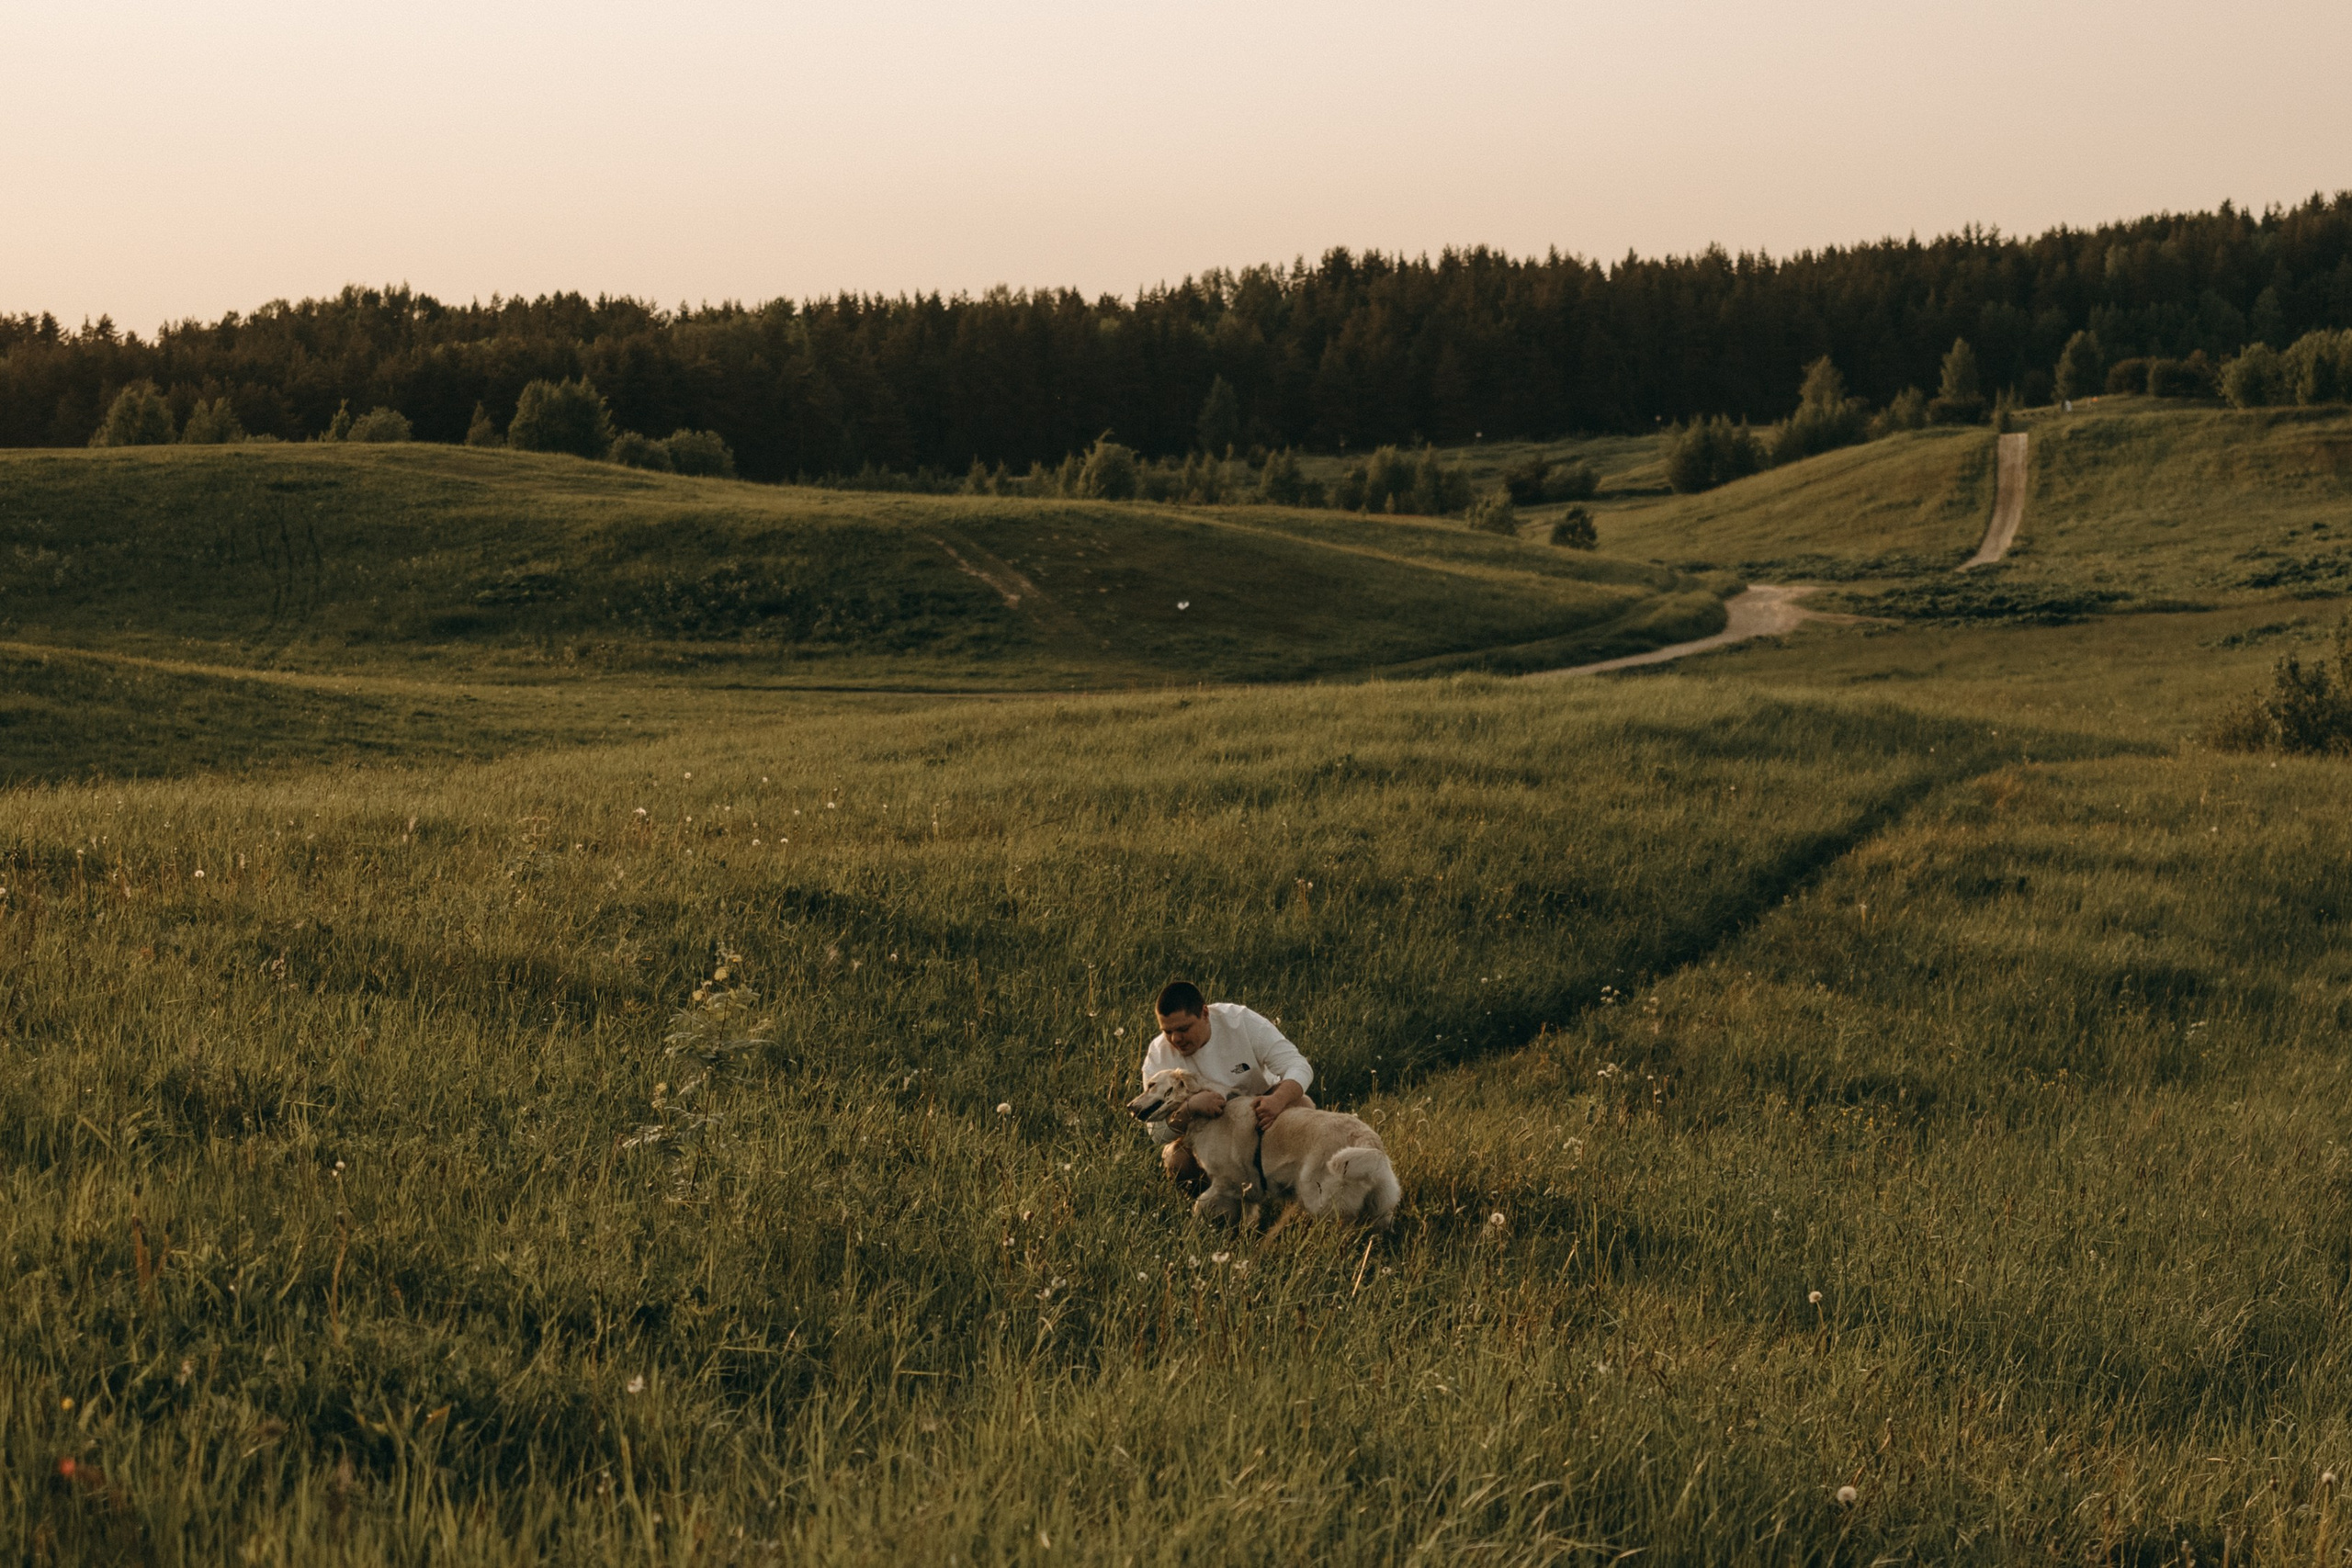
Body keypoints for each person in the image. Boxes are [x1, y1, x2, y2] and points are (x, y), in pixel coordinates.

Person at [1137, 980, 1313, 1195]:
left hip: (1260, 1116)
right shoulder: (1158, 1056)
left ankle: (1298, 1193)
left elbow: (1298, 1065)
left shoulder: (1240, 1021)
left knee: (1301, 1104)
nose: (1176, 1039)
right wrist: (1190, 1108)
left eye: (1184, 1029)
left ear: (1204, 1013)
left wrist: (1277, 1101)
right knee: (1176, 1158)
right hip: (1207, 1134)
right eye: (1167, 1031)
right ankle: (1220, 1211)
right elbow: (1155, 1132)